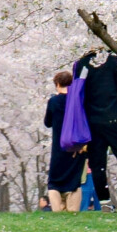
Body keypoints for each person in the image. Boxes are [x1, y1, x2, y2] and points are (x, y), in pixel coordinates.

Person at [73, 50, 117, 209]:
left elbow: (77, 95)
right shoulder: (114, 62)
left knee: (97, 164)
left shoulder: (81, 65)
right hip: (114, 119)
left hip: (92, 122)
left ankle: (104, 203)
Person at [44, 69, 89, 212]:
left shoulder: (54, 101)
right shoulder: (79, 100)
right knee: (74, 181)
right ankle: (73, 210)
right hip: (77, 147)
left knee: (54, 181)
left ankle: (57, 211)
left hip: (59, 146)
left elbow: (47, 122)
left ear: (57, 84)